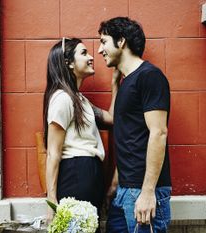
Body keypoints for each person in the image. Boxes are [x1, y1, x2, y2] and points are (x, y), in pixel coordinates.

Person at [97, 17, 172, 233]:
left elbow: (158, 133)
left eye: (104, 41)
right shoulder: (126, 83)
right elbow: (130, 139)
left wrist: (148, 192)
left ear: (121, 41)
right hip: (124, 191)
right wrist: (114, 184)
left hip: (144, 192)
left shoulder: (149, 76)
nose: (101, 49)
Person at [43, 37, 119, 232]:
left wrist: (115, 84)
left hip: (89, 173)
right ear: (68, 63)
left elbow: (111, 119)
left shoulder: (79, 99)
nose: (91, 57)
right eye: (84, 53)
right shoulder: (62, 99)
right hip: (75, 173)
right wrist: (51, 200)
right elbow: (53, 153)